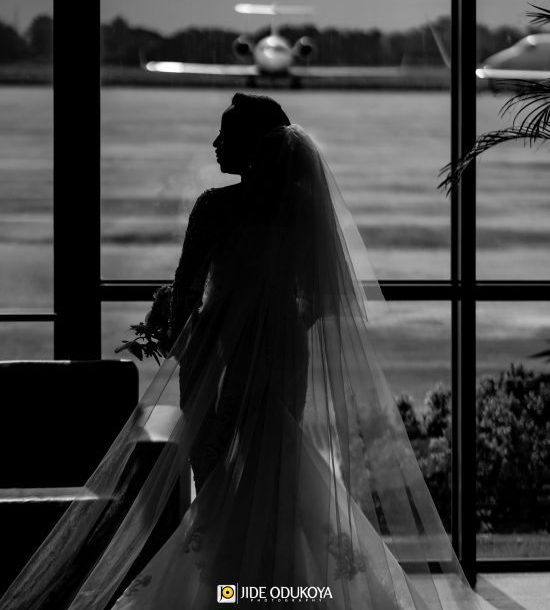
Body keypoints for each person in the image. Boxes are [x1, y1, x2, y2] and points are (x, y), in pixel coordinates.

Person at [0, 93, 485, 610]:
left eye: (225, 134)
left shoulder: (213, 208)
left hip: (222, 359)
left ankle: (230, 595)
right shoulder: (302, 212)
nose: (215, 143)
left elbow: (187, 293)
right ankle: (277, 592)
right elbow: (316, 299)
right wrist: (271, 316)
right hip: (283, 353)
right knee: (276, 477)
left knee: (216, 483)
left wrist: (183, 323)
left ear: (253, 149)